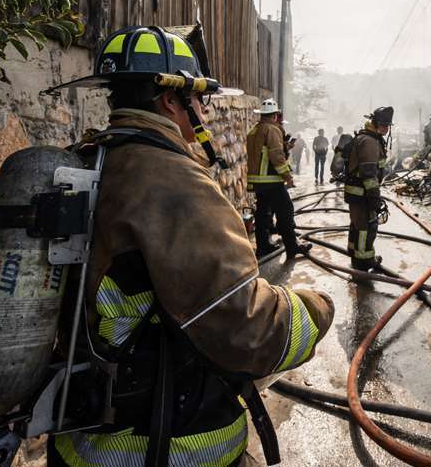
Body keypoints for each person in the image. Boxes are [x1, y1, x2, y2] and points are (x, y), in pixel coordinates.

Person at [44, 25, 334, 467]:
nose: (203, 110)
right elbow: (247, 329)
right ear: (171, 100)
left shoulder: (89, 161)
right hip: (165, 443)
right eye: (199, 100)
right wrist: (315, 309)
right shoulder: (171, 182)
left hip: (81, 442)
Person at [247, 99, 307, 258]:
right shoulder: (272, 129)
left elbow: (263, 153)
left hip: (258, 182)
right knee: (285, 212)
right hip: (271, 180)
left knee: (263, 214)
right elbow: (276, 156)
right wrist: (288, 177)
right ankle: (292, 247)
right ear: (274, 115)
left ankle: (263, 247)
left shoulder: (254, 130)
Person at [343, 106, 393, 270]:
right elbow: (369, 174)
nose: (387, 129)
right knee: (366, 228)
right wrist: (374, 197)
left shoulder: (369, 137)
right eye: (385, 125)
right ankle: (363, 261)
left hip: (357, 192)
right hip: (362, 192)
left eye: (388, 126)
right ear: (377, 123)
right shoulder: (370, 141)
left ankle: (355, 253)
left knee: (357, 225)